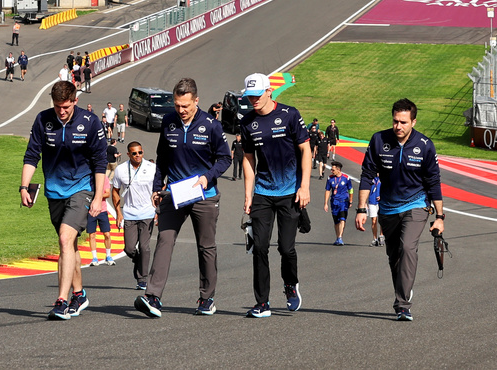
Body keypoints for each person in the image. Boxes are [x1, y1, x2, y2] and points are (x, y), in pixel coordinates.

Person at [135, 77, 231, 319]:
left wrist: (207, 177)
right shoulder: (168, 122)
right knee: (164, 241)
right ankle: (152, 296)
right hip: (174, 194)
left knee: (205, 246)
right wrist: (157, 188)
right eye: (177, 105)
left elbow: (225, 159)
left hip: (204, 195)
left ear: (196, 101)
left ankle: (207, 298)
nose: (181, 111)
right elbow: (162, 158)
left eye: (186, 106)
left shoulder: (211, 125)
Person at [21, 79, 108, 320]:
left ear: (75, 101)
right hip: (54, 191)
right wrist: (24, 186)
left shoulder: (90, 123)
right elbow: (31, 155)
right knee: (69, 246)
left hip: (82, 188)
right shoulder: (43, 119)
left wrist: (99, 197)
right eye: (58, 106)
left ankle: (61, 301)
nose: (62, 111)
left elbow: (100, 163)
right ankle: (79, 294)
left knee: (65, 238)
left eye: (66, 107)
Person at [355, 97, 444, 322]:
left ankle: (403, 304)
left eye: (403, 122)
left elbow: (434, 182)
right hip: (387, 207)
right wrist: (361, 209)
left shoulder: (425, 145)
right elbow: (367, 175)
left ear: (413, 121)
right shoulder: (378, 140)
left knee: (407, 247)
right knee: (394, 255)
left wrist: (440, 217)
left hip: (416, 204)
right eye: (395, 121)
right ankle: (404, 288)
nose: (398, 126)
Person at [238, 72, 312, 318]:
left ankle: (291, 284)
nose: (253, 101)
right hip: (262, 192)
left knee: (285, 247)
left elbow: (305, 150)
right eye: (250, 97)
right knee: (259, 247)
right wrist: (248, 195)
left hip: (290, 192)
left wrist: (305, 186)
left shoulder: (290, 114)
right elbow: (248, 160)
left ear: (269, 91)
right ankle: (262, 303)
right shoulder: (247, 122)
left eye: (257, 95)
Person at [113, 140, 158, 290]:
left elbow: (160, 187)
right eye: (134, 153)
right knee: (130, 249)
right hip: (130, 214)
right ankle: (139, 260)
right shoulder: (120, 170)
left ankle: (142, 278)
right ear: (128, 154)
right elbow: (115, 191)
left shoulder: (152, 168)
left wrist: (158, 209)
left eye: (140, 152)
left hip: (147, 213)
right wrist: (118, 212)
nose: (138, 155)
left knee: (145, 247)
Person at [84, 170, 117, 267]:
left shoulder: (104, 178)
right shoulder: (88, 179)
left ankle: (108, 256)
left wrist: (97, 196)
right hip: (90, 211)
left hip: (102, 210)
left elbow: (107, 193)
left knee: (107, 233)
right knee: (92, 235)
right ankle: (94, 258)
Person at [323, 161, 353, 246]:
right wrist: (325, 203)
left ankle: (340, 237)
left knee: (342, 219)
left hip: (344, 201)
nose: (331, 171)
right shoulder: (330, 178)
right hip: (334, 202)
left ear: (338, 170)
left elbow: (351, 189)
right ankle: (337, 237)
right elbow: (328, 190)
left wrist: (350, 200)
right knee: (336, 221)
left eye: (333, 170)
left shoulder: (346, 178)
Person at [368, 175, 383, 246]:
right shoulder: (370, 179)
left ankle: (381, 236)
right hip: (372, 201)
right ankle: (375, 238)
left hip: (381, 202)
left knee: (381, 220)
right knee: (374, 220)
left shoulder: (384, 178)